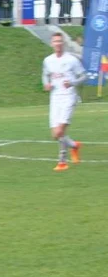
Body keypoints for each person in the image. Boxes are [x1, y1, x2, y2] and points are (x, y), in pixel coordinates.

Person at [42, 32, 85, 172]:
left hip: (69, 97)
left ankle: (62, 162)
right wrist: (46, 84)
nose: (58, 44)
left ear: (64, 43)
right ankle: (74, 145)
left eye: (60, 41)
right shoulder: (48, 60)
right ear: (52, 44)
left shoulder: (72, 60)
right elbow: (45, 75)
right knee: (55, 134)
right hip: (55, 98)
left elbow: (84, 76)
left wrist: (72, 82)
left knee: (60, 130)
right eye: (55, 41)